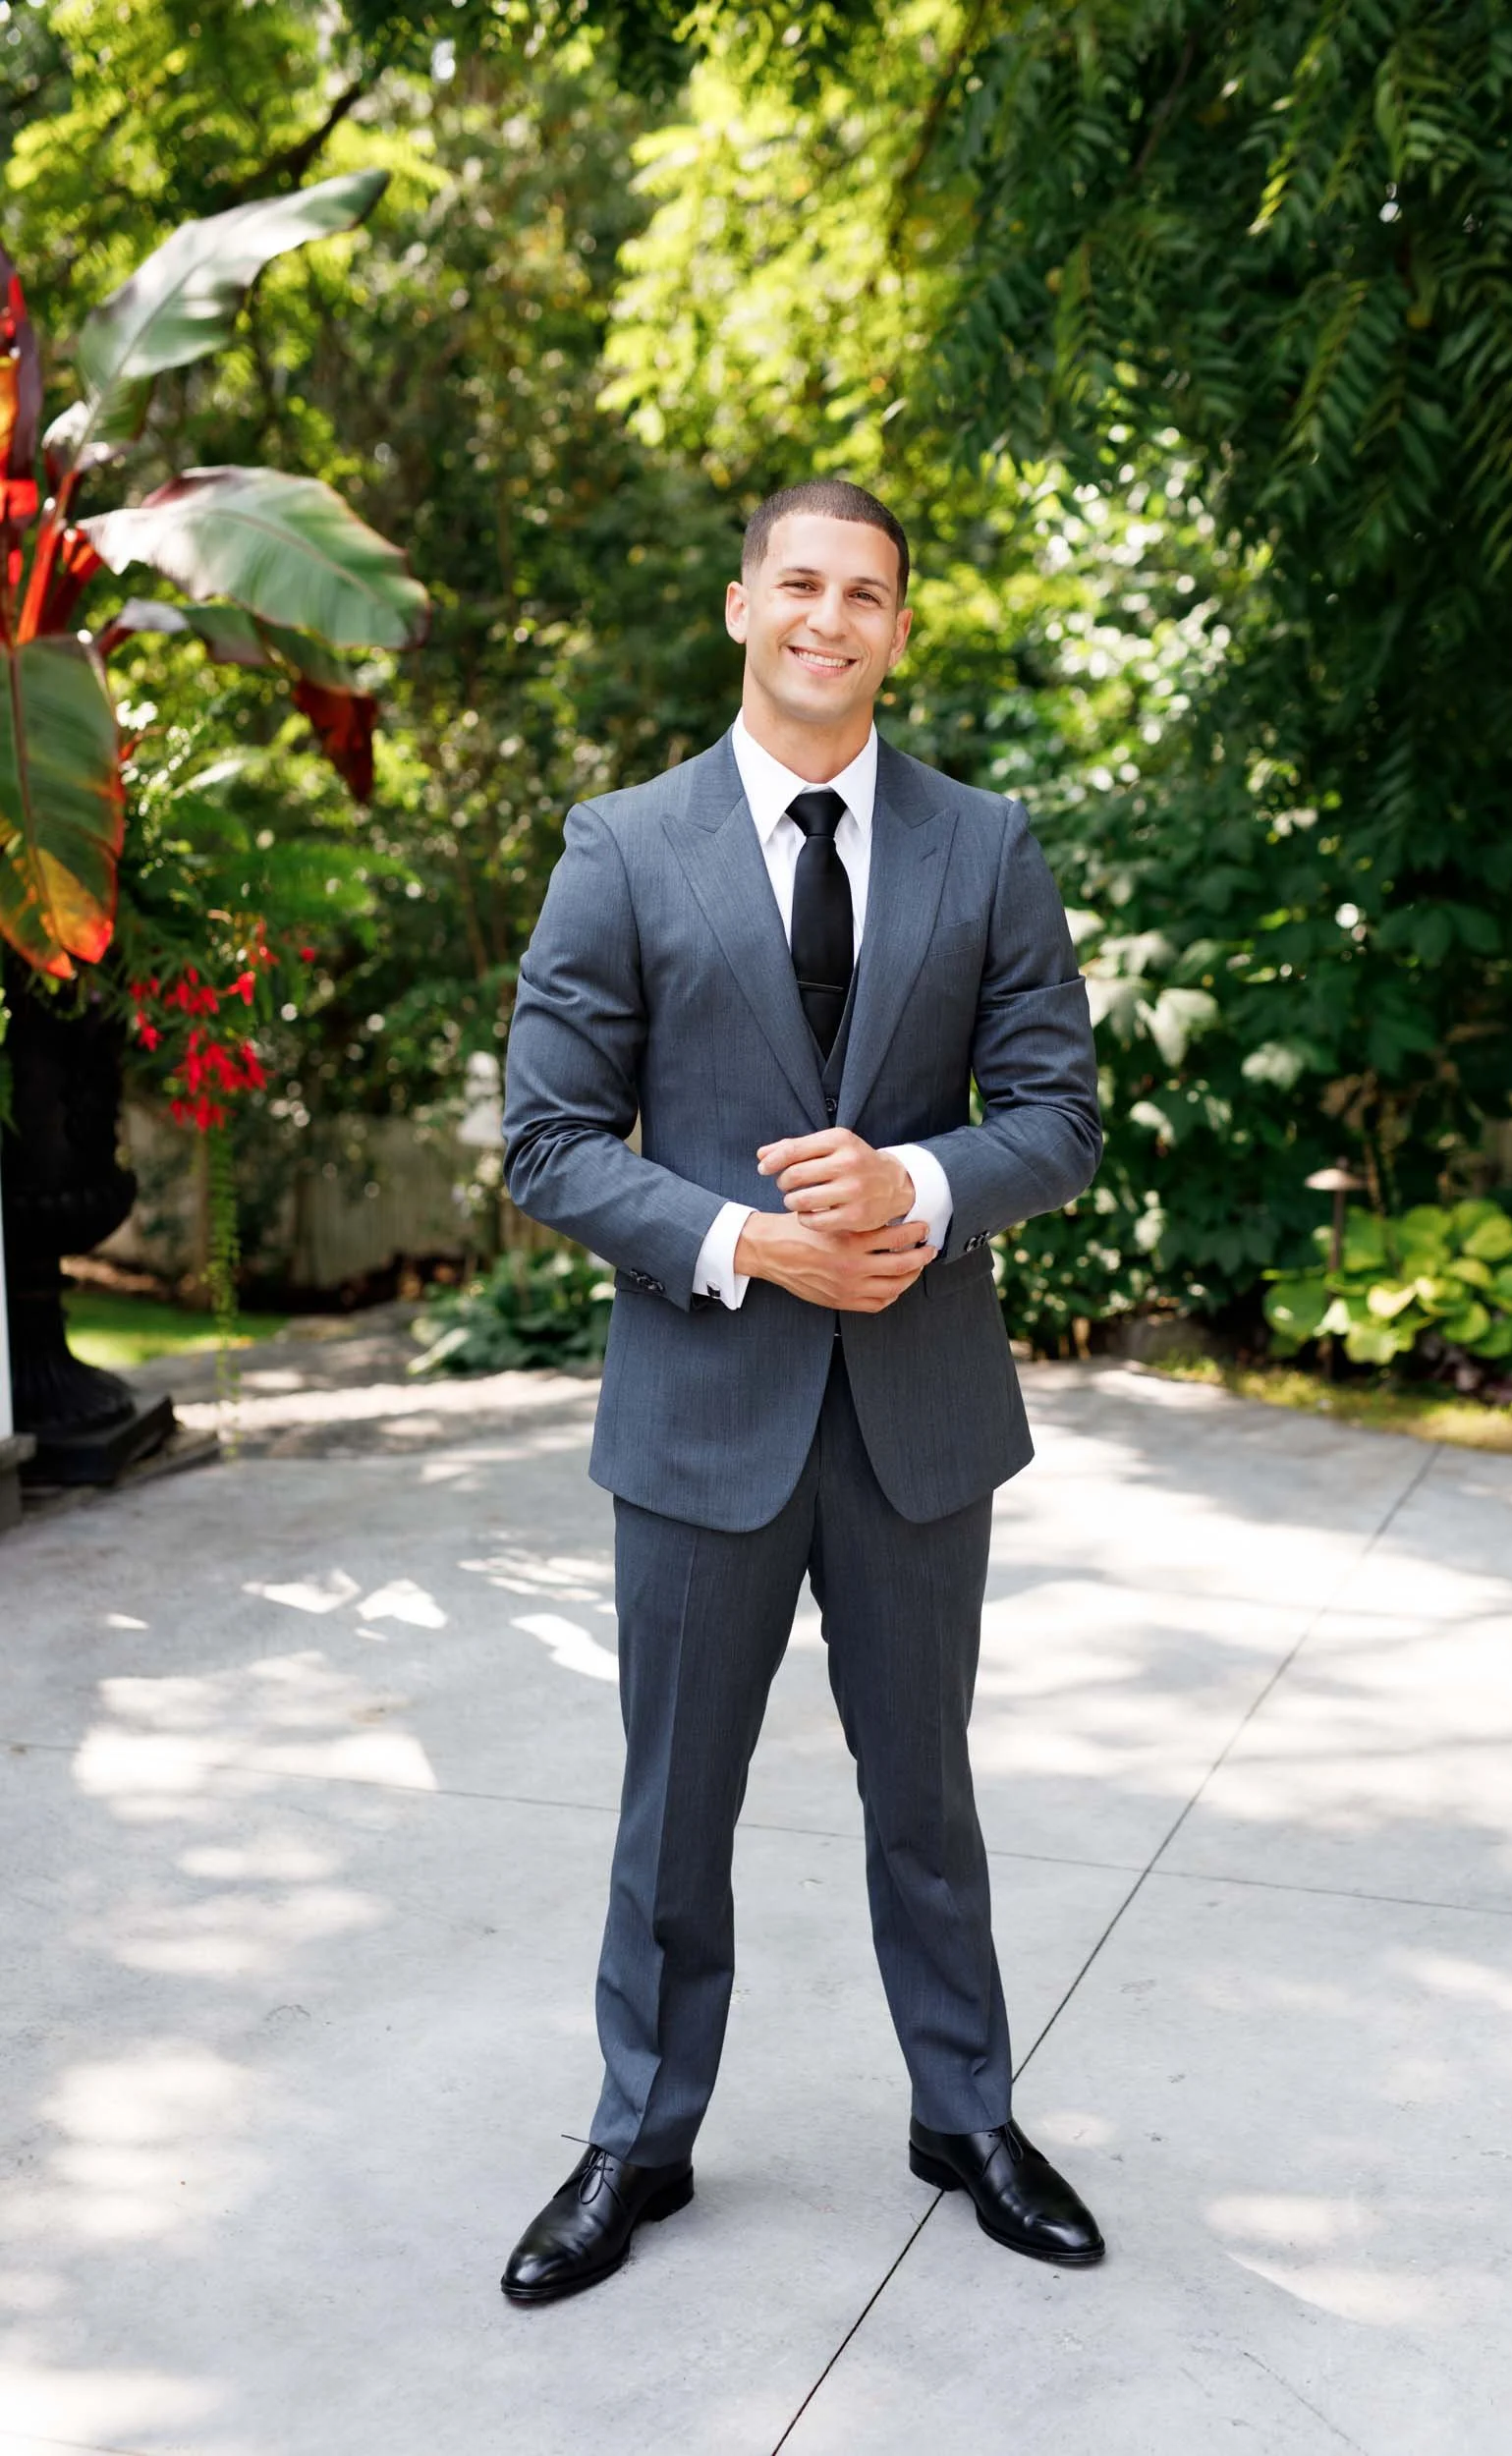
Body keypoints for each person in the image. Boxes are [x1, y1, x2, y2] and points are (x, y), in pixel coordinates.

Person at [499, 477, 1104, 2304]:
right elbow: (544, 1142)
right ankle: (637, 2139)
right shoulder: (621, 845)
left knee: (925, 1791)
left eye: (868, 595)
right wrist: (760, 1243)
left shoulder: (983, 843)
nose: (830, 619)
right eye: (800, 585)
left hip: (921, 1419)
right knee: (671, 1801)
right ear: (742, 603)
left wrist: (915, 1189)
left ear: (897, 629)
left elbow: (1057, 1117)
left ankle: (965, 2114)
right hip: (701, 1415)